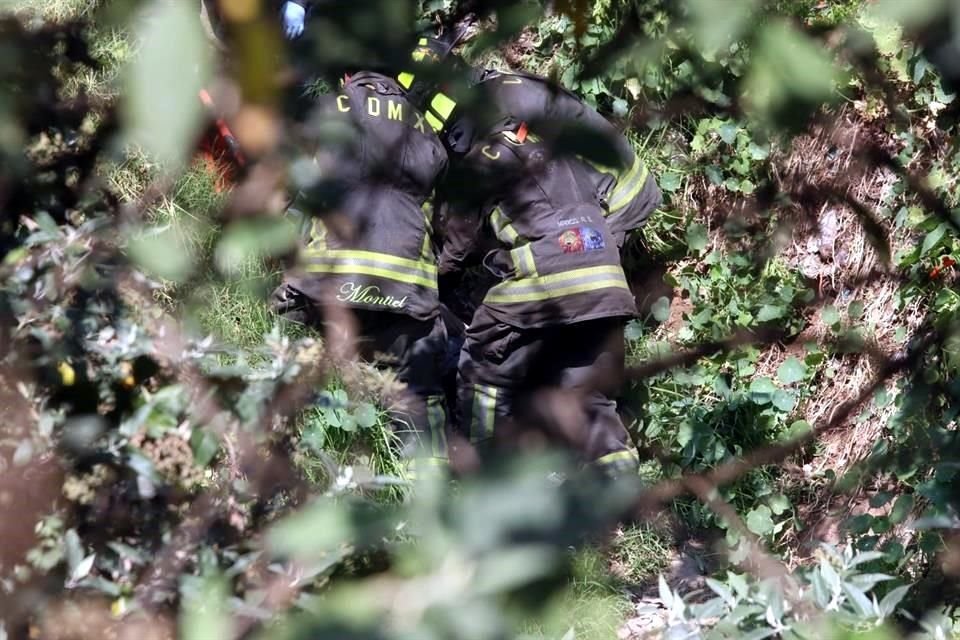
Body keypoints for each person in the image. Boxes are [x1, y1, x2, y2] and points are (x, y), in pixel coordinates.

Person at [430, 66, 661, 477]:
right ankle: (619, 484)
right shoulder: (555, 149)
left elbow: (456, 245)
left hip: (545, 278)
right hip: (606, 281)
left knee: (484, 369)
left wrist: (433, 277)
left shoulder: (479, 163)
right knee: (587, 395)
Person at [273, 38, 462, 477]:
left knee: (282, 344)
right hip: (405, 285)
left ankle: (294, 464)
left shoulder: (330, 107)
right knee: (419, 389)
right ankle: (425, 494)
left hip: (330, 279)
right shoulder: (424, 127)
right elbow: (438, 218)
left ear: (347, 74)